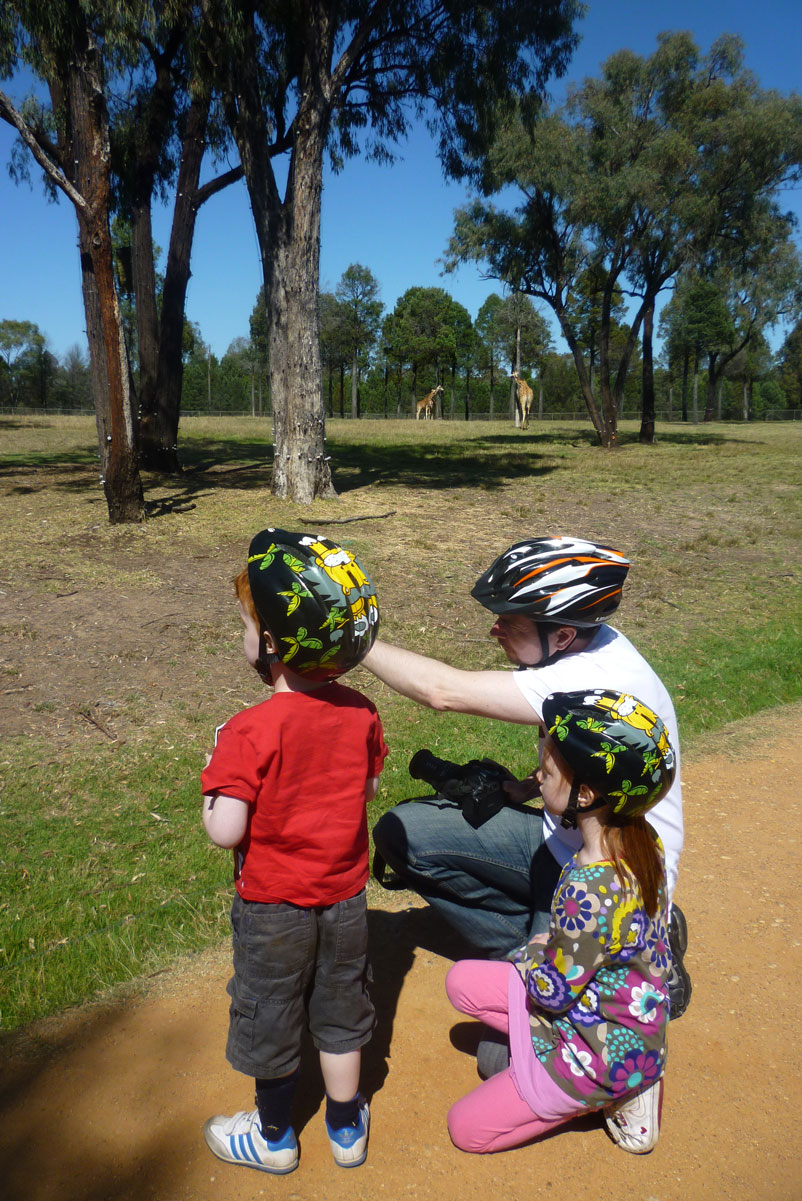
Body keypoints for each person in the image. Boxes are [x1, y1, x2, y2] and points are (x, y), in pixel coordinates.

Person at [365, 536, 690, 1020]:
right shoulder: (593, 642)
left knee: (513, 1054)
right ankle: (584, 943)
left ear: (561, 636)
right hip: (568, 845)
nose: (495, 630)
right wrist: (526, 786)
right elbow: (590, 765)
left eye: (509, 622)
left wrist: (350, 637)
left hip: (606, 874)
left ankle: (607, 945)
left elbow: (442, 691)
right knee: (402, 833)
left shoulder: (593, 674)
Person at [201, 529, 387, 1176]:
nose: (243, 638)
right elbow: (363, 788)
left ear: (274, 645)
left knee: (271, 1010)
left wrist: (210, 789)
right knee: (341, 1007)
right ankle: (345, 1125)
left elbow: (226, 829)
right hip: (345, 899)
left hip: (272, 909)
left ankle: (275, 1135)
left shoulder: (247, 731)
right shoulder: (363, 713)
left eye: (249, 626)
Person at [446, 689, 675, 1156]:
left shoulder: (588, 888)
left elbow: (551, 988)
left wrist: (531, 947)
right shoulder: (641, 839)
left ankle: (613, 1095)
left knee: (465, 1129)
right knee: (461, 982)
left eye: (547, 771)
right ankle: (611, 1077)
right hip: (621, 1012)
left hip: (596, 1053)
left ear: (586, 795)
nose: (537, 774)